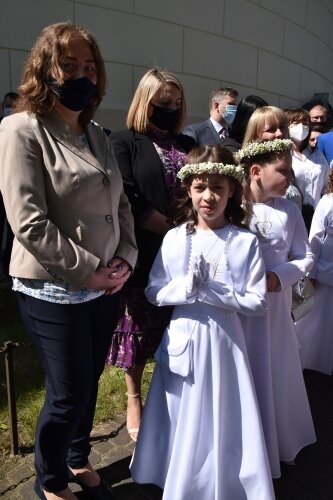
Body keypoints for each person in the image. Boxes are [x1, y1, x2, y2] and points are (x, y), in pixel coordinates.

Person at [0, 22, 137, 500]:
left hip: (105, 283)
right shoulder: (21, 128)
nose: (82, 75)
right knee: (68, 391)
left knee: (91, 377)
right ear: (45, 69)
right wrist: (88, 269)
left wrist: (124, 259)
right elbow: (28, 219)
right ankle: (50, 478)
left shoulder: (98, 133)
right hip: (52, 287)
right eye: (70, 65)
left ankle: (77, 457)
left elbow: (121, 204)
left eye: (90, 67)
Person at [130, 144, 275, 500]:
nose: (208, 196)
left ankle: (224, 478)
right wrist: (185, 288)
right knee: (181, 408)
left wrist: (217, 292)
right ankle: (176, 473)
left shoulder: (245, 242)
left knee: (223, 411)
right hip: (183, 337)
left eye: (218, 188)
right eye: (199, 188)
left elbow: (257, 302)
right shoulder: (175, 237)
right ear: (188, 190)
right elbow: (154, 290)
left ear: (232, 191)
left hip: (226, 342)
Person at [105, 68, 195, 442]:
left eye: (176, 103)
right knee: (140, 329)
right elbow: (126, 196)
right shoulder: (125, 141)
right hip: (145, 248)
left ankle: (173, 394)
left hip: (188, 249)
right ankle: (133, 396)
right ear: (146, 102)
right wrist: (168, 229)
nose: (170, 109)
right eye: (163, 103)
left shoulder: (188, 143)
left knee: (178, 325)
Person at [236, 139, 316, 479]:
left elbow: (306, 256)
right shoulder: (233, 206)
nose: (289, 178)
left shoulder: (290, 211)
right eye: (282, 171)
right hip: (237, 311)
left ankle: (278, 440)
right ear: (256, 171)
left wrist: (279, 276)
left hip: (275, 309)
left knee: (274, 369)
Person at [295, 167, 333, 375]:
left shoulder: (327, 202)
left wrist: (311, 272)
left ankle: (311, 359)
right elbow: (317, 239)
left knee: (314, 318)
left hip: (324, 269)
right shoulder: (327, 202)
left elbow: (315, 238)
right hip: (324, 270)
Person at [285, 108, 330, 231]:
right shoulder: (284, 155)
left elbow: (327, 186)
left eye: (305, 123)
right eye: (295, 122)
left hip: (316, 218)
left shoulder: (318, 155)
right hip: (291, 217)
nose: (301, 126)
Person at [0, 92, 18, 286]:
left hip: (12, 190)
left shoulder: (20, 130)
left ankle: (9, 269)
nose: (9, 109)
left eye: (14, 106)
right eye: (7, 105)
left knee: (14, 232)